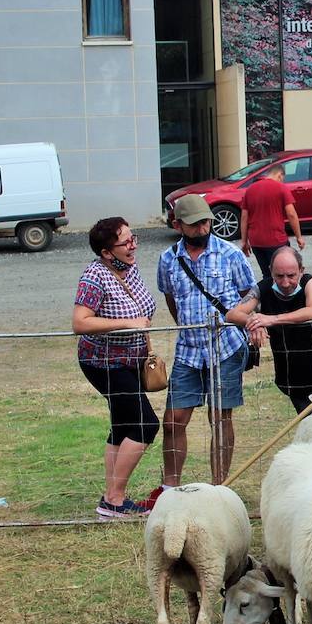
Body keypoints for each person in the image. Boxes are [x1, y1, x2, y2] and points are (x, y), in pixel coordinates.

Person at [154, 194, 258, 501]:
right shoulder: (168, 259)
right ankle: (170, 488)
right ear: (177, 225)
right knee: (174, 419)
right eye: (194, 224)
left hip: (225, 346)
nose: (202, 228)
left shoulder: (230, 253)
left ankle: (219, 488)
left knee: (220, 417)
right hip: (188, 349)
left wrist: (242, 318)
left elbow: (251, 292)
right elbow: (170, 298)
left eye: (206, 222)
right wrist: (186, 326)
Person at [71, 217, 159, 519]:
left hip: (130, 361)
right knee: (146, 425)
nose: (133, 245)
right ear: (107, 252)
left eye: (133, 238)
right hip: (103, 363)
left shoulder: (129, 269)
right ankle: (114, 499)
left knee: (122, 427)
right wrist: (127, 323)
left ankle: (112, 501)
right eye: (126, 242)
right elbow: (80, 322)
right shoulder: (95, 276)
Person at [246, 246, 312, 413]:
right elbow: (233, 313)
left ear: (301, 271)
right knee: (308, 423)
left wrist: (271, 319)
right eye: (279, 276)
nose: (285, 282)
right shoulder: (263, 288)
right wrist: (254, 323)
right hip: (290, 376)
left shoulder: (309, 282)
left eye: (291, 275)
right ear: (270, 271)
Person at [240, 164, 306, 279]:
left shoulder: (250, 189)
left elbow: (244, 217)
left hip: (256, 241)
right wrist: (299, 237)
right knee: (282, 274)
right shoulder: (281, 188)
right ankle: (281, 296)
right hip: (276, 240)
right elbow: (291, 214)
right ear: (280, 175)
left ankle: (267, 296)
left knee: (266, 274)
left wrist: (244, 241)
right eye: (283, 179)